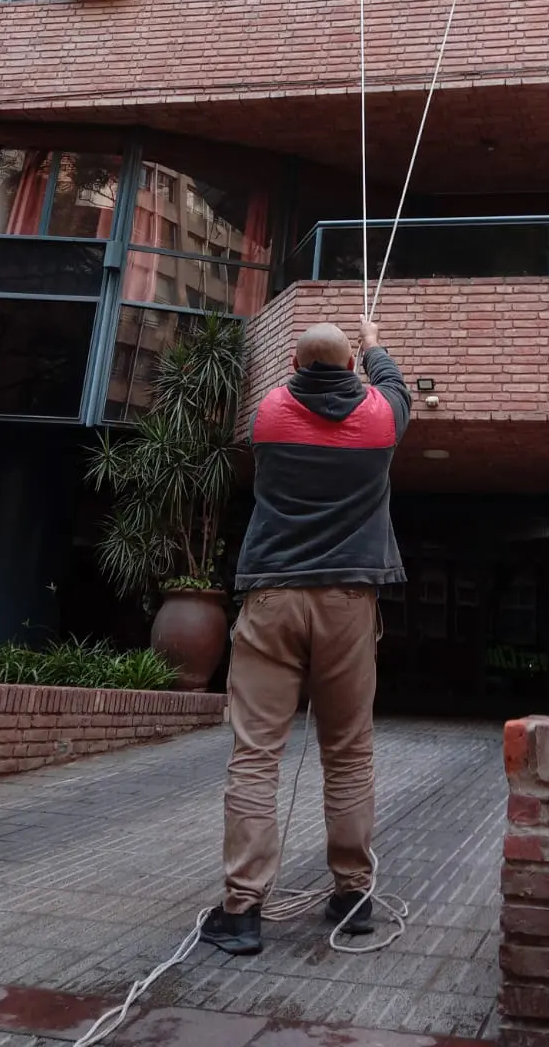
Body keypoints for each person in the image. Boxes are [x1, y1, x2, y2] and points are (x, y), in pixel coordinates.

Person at [202, 316, 411, 955]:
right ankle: (352, 895)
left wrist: (340, 357)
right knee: (348, 751)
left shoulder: (267, 413)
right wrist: (374, 345)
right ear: (352, 367)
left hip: (272, 599)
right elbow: (396, 388)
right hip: (348, 602)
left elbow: (307, 381)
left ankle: (242, 911)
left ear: (293, 363)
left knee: (255, 755)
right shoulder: (380, 421)